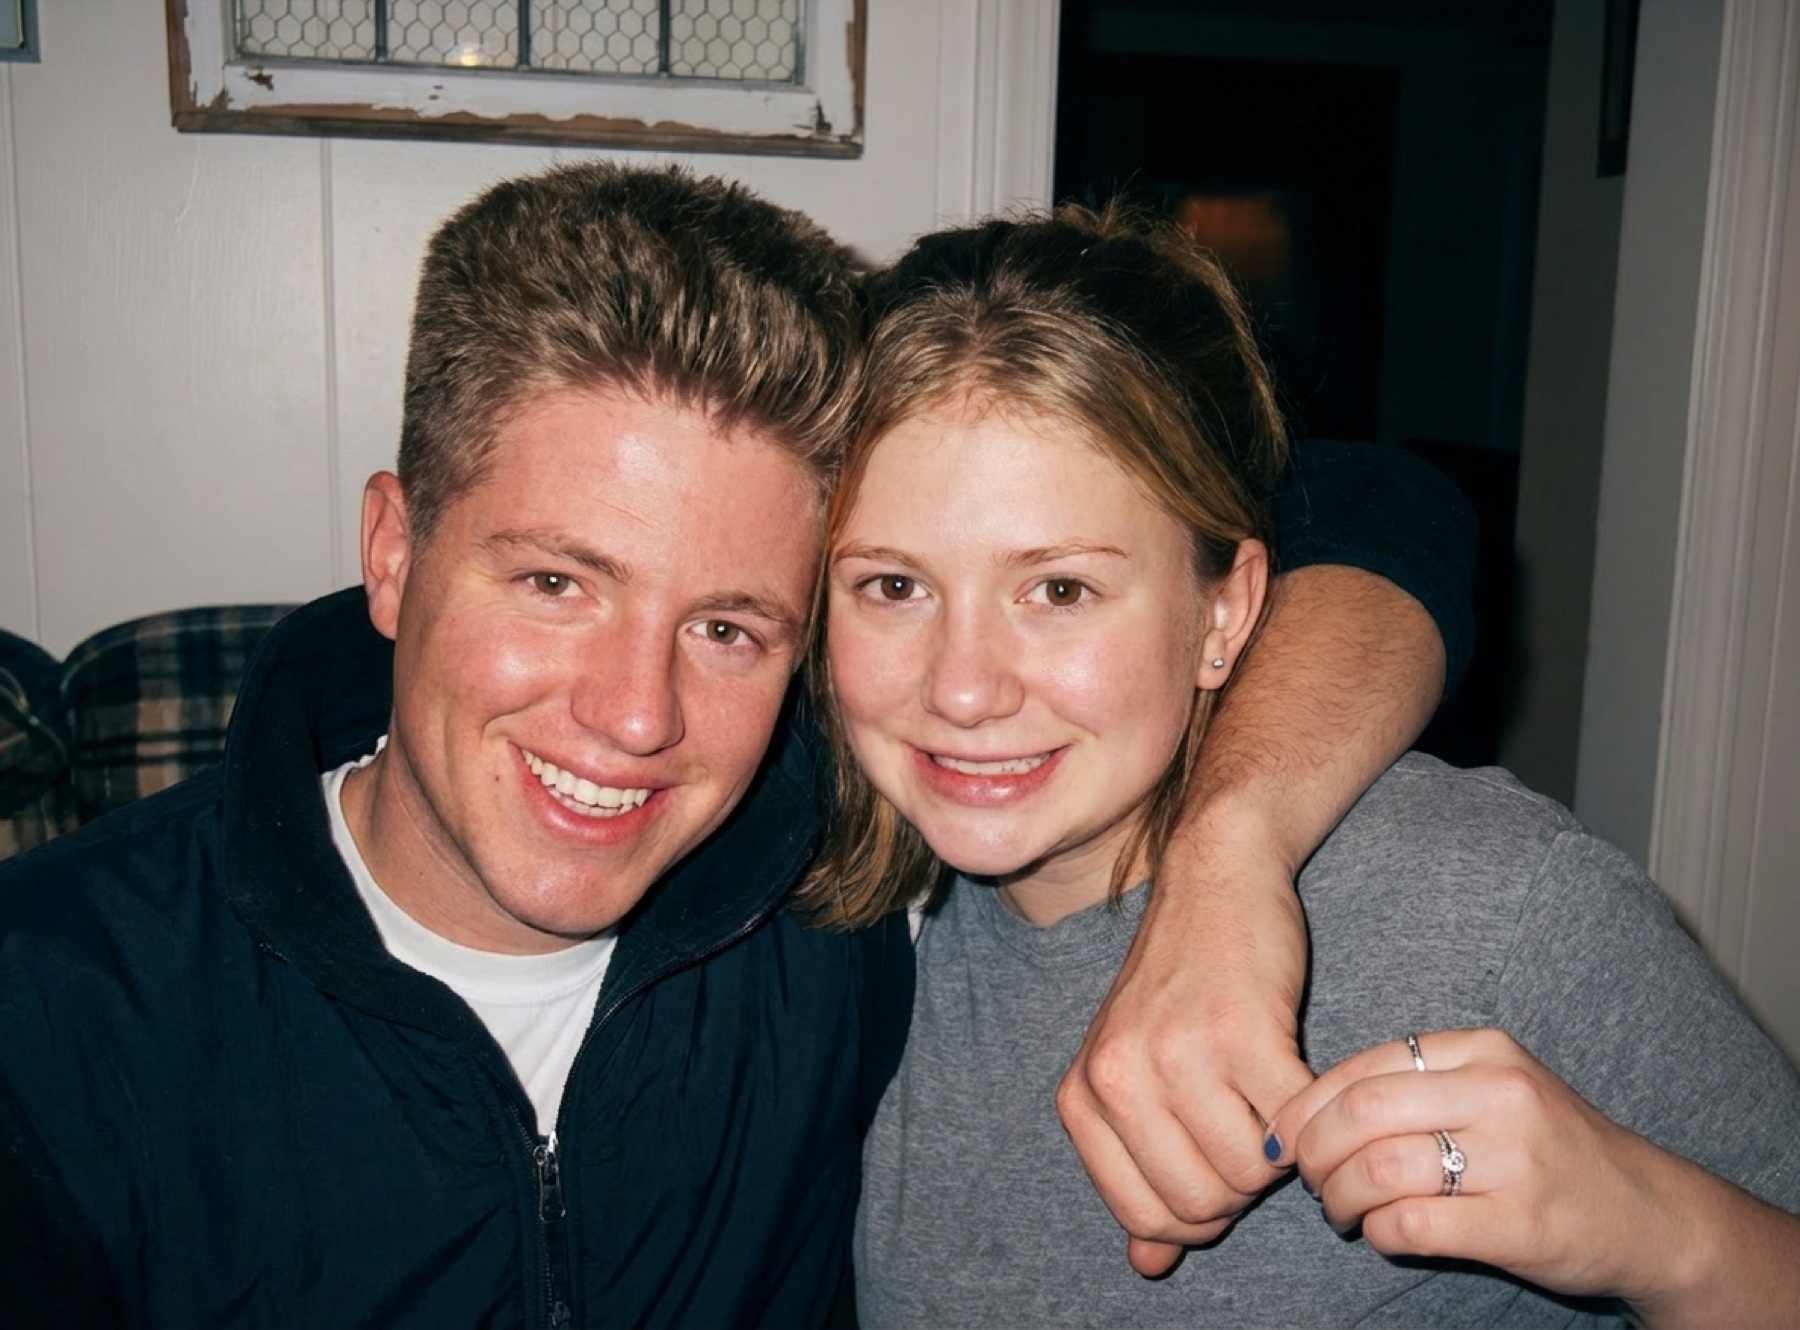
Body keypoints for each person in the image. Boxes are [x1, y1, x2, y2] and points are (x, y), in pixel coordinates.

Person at [0, 164, 1469, 1327]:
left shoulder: (835, 886)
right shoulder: (57, 1006)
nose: (636, 716)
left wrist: (1230, 858)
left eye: (730, 627)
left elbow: (1372, 506)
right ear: (393, 552)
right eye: (557, 581)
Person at [828, 203, 1800, 1327]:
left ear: (1224, 611)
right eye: (893, 586)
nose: (962, 687)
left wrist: (1660, 1231)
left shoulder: (1496, 903)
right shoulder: (847, 933)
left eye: (1060, 590)